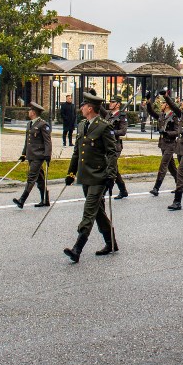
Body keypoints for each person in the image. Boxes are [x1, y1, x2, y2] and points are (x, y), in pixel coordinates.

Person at [62, 91, 119, 263]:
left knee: (89, 210)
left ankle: (77, 248)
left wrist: (111, 175)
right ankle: (111, 243)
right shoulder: (82, 125)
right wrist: (71, 173)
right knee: (98, 211)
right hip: (85, 175)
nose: (81, 108)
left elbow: (112, 153)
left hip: (99, 176)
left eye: (84, 106)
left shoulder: (104, 126)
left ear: (90, 108)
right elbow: (77, 152)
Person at [13, 102, 53, 208]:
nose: (29, 112)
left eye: (30, 110)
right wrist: (23, 154)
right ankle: (45, 200)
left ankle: (22, 200)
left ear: (34, 112)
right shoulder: (30, 124)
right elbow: (27, 141)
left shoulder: (42, 124)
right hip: (31, 155)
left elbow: (47, 141)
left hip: (38, 155)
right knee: (40, 179)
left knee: (31, 177)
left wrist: (47, 155)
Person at [146, 92, 180, 197]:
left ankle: (156, 188)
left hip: (170, 144)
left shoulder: (174, 117)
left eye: (163, 103)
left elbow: (177, 131)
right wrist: (148, 102)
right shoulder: (162, 115)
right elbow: (151, 112)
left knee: (163, 165)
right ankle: (180, 185)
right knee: (171, 167)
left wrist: (167, 133)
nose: (161, 104)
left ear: (167, 105)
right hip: (163, 144)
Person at [105, 96, 130, 199]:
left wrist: (111, 132)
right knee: (113, 168)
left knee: (110, 167)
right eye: (110, 102)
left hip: (115, 146)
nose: (110, 103)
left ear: (118, 104)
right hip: (107, 145)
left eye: (113, 102)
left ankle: (103, 191)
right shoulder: (109, 115)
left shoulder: (122, 116)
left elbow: (123, 131)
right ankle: (123, 191)